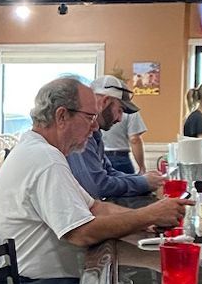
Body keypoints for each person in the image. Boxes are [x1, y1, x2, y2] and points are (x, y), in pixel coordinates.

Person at [0, 77, 186, 284]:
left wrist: (149, 222)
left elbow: (95, 207)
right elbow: (82, 233)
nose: (94, 127)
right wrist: (148, 214)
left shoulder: (41, 150)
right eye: (89, 117)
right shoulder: (44, 159)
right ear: (61, 116)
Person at [67, 76, 163, 204]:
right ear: (105, 101)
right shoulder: (80, 134)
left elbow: (109, 172)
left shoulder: (96, 135)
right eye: (120, 110)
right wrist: (143, 182)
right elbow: (97, 186)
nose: (119, 119)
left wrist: (143, 179)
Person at [102, 92, 148, 173]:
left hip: (99, 158)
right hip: (121, 159)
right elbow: (134, 140)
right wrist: (142, 167)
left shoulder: (96, 108)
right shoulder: (130, 111)